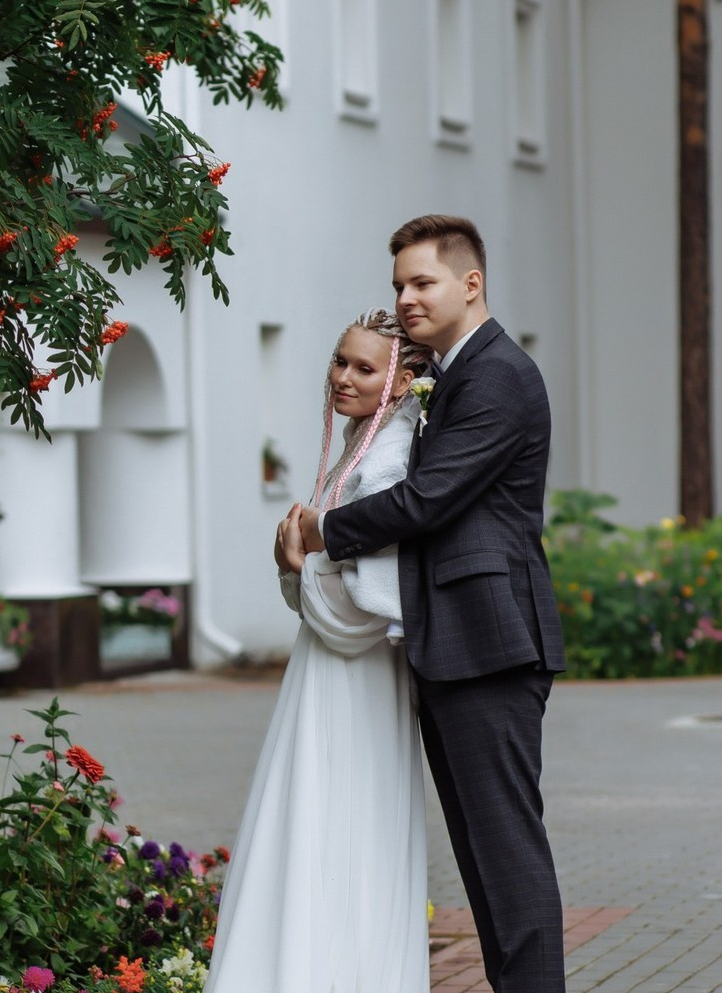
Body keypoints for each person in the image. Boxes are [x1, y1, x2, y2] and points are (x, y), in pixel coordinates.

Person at [294, 215, 567, 993]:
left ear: (470, 283)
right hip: (454, 644)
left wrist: (322, 531)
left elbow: (428, 500)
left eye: (423, 282)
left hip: (491, 642)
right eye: (399, 286)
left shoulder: (499, 375)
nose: (407, 298)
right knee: (485, 863)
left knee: (508, 859)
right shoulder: (452, 373)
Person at [205, 308, 432, 993]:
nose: (342, 377)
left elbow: (370, 609)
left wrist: (300, 562)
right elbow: (323, 585)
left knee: (342, 821)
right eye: (339, 360)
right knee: (314, 816)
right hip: (326, 669)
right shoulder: (360, 445)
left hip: (357, 679)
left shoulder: (390, 457)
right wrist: (298, 564)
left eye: (364, 368)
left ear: (398, 382)